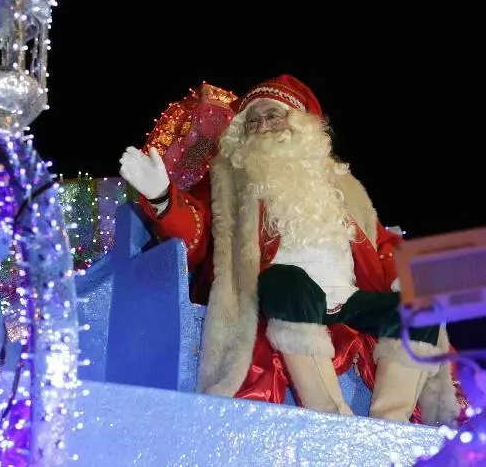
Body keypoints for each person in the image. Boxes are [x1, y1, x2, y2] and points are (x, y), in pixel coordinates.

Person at [120, 75, 466, 425]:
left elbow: (381, 244)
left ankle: (391, 422)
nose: (262, 126)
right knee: (287, 282)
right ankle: (331, 416)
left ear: (301, 125)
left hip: (351, 299)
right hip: (287, 295)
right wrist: (163, 198)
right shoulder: (230, 183)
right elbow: (198, 232)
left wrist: (402, 278)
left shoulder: (341, 184)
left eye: (273, 115)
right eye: (252, 122)